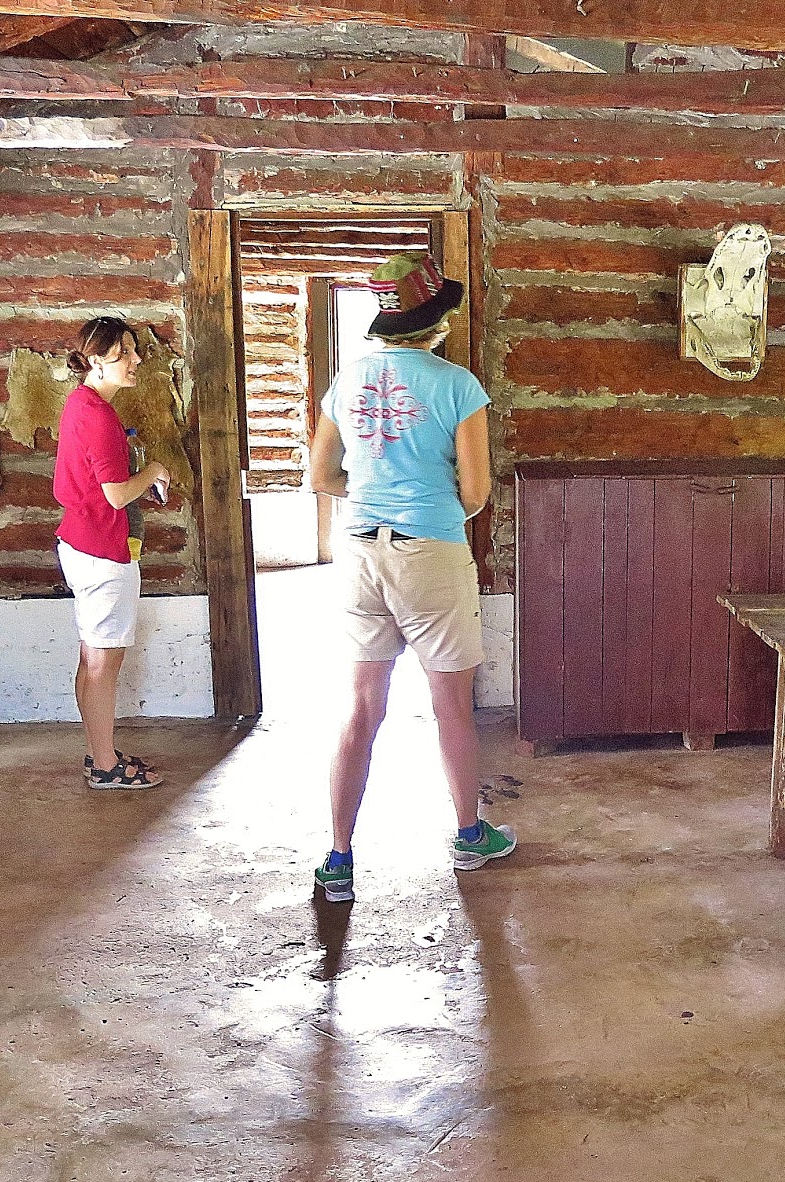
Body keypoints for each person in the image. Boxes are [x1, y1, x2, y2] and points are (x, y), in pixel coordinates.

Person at [309, 252, 514, 903]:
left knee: (361, 709)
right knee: (450, 703)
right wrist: (430, 496)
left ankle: (338, 858)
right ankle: (469, 835)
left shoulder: (347, 383)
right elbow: (476, 492)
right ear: (437, 319)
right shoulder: (458, 386)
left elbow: (320, 478)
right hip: (430, 554)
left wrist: (370, 489)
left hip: (362, 554)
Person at [53, 316, 169, 790]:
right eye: (124, 351)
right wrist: (156, 469)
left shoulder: (81, 403)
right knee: (104, 664)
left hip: (80, 544)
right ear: (96, 359)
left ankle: (99, 752)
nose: (136, 359)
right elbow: (117, 494)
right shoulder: (99, 416)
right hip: (103, 551)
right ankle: (105, 767)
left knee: (91, 658)